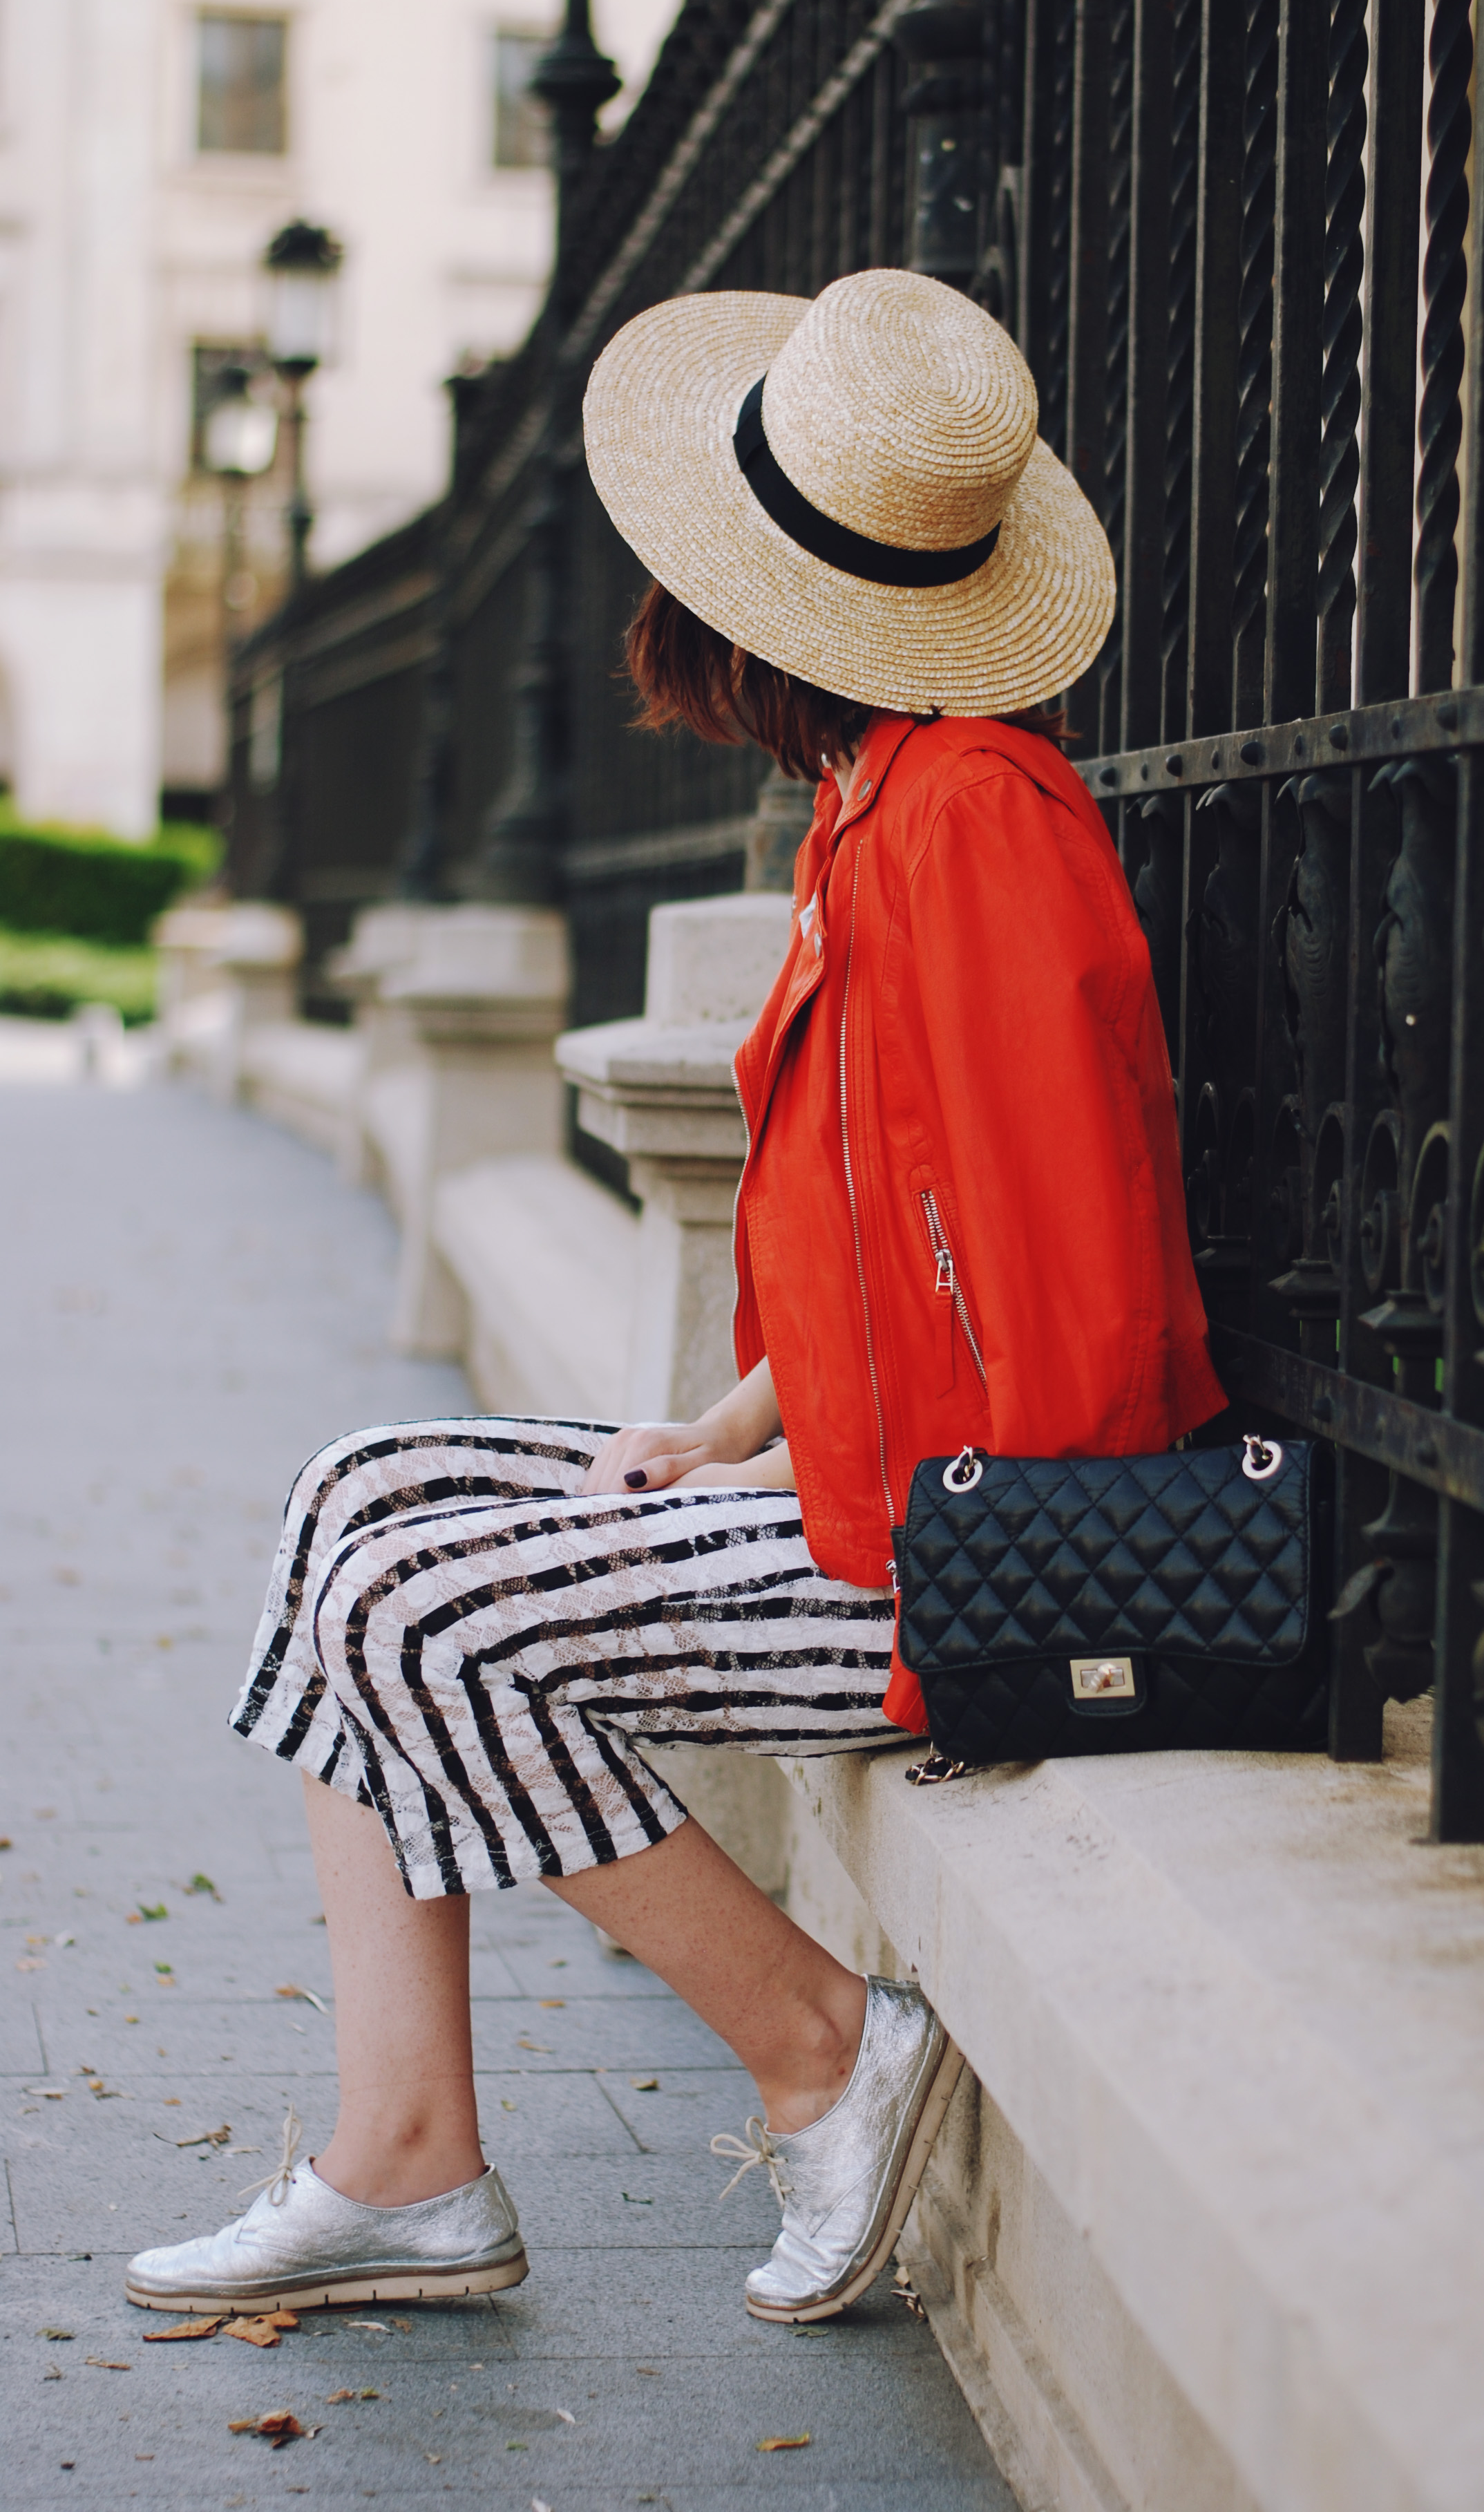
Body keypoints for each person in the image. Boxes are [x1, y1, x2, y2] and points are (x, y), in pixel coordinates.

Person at [125, 269, 1224, 2328]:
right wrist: (724, 1433)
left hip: (969, 1562)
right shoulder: (877, 797)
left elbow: (1064, 1259)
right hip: (860, 1497)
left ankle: (824, 2042)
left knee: (425, 1605)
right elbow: (894, 1233)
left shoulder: (976, 818)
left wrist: (1002, 1603)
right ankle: (408, 2164)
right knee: (358, 1496)